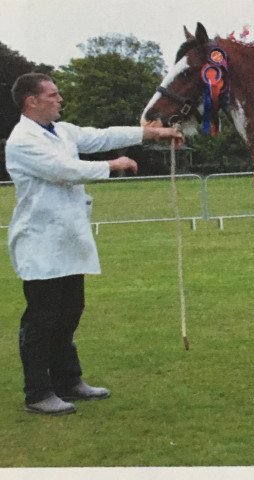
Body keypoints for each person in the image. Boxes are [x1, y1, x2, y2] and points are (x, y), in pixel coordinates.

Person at [5, 72, 184, 416]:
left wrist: (153, 133)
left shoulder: (60, 130)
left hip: (68, 240)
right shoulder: (22, 141)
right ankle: (38, 393)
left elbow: (101, 136)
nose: (60, 99)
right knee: (42, 319)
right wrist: (112, 165)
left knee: (70, 313)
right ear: (32, 101)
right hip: (41, 243)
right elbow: (65, 170)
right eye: (53, 95)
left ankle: (68, 381)